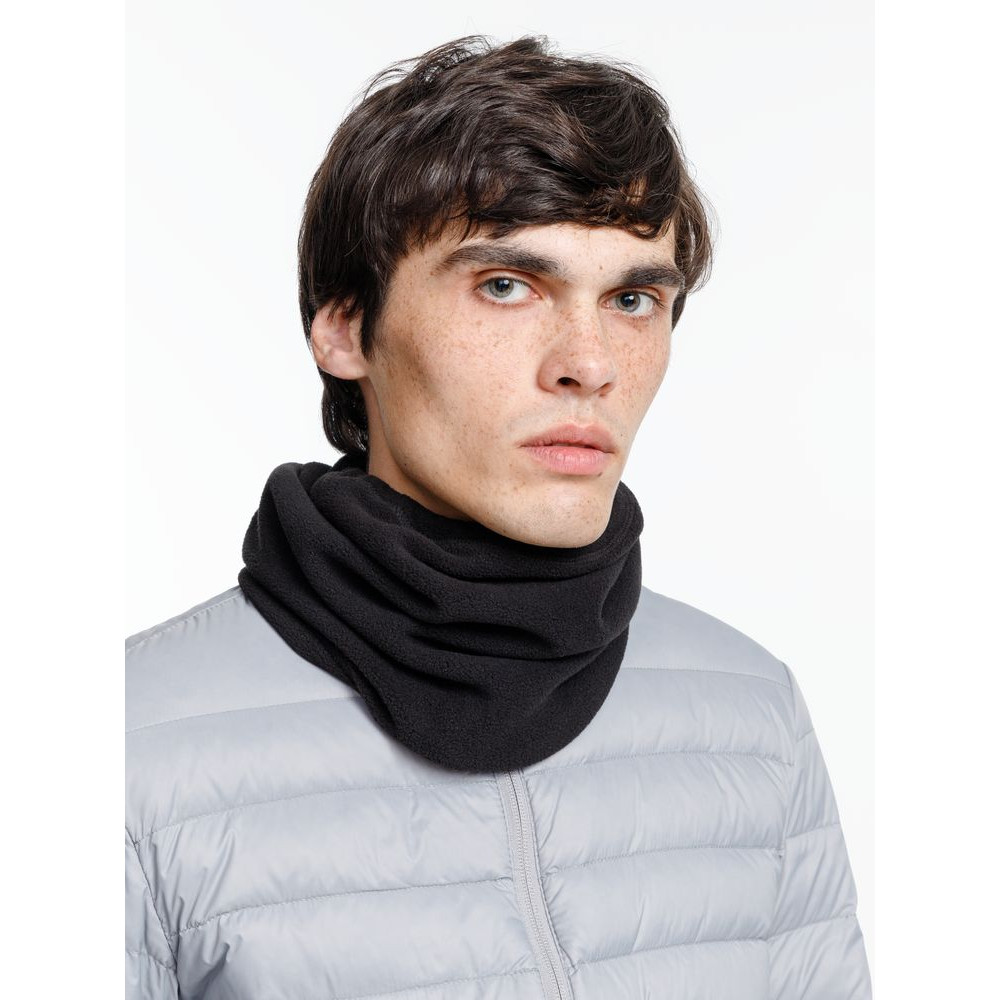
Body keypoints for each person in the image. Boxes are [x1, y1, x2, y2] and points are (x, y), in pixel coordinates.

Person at [125, 33, 872, 1000]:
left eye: (633, 297)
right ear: (345, 326)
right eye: (507, 286)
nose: (589, 364)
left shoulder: (751, 711)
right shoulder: (123, 739)